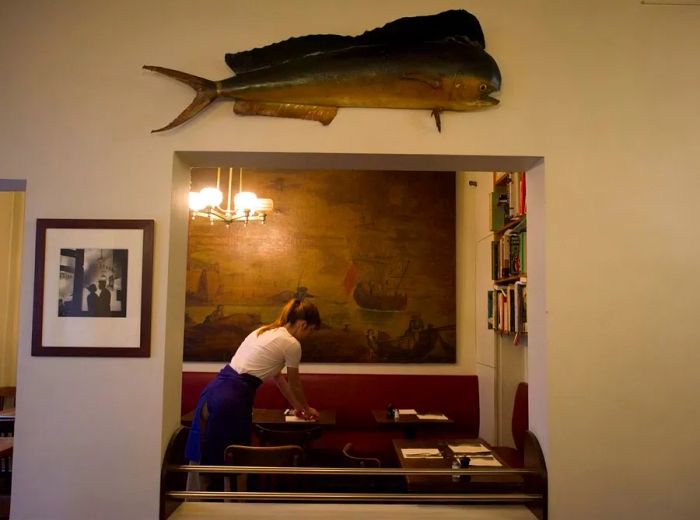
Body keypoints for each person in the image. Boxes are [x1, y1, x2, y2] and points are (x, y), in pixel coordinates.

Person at [184, 298, 322, 475]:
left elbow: (279, 379)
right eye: (311, 330)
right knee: (233, 458)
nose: (309, 336)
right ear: (302, 324)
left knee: (205, 450)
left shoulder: (263, 331)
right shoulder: (292, 344)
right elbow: (295, 384)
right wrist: (307, 409)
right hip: (232, 399)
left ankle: (198, 499)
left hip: (214, 391)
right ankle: (229, 500)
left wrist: (298, 407)